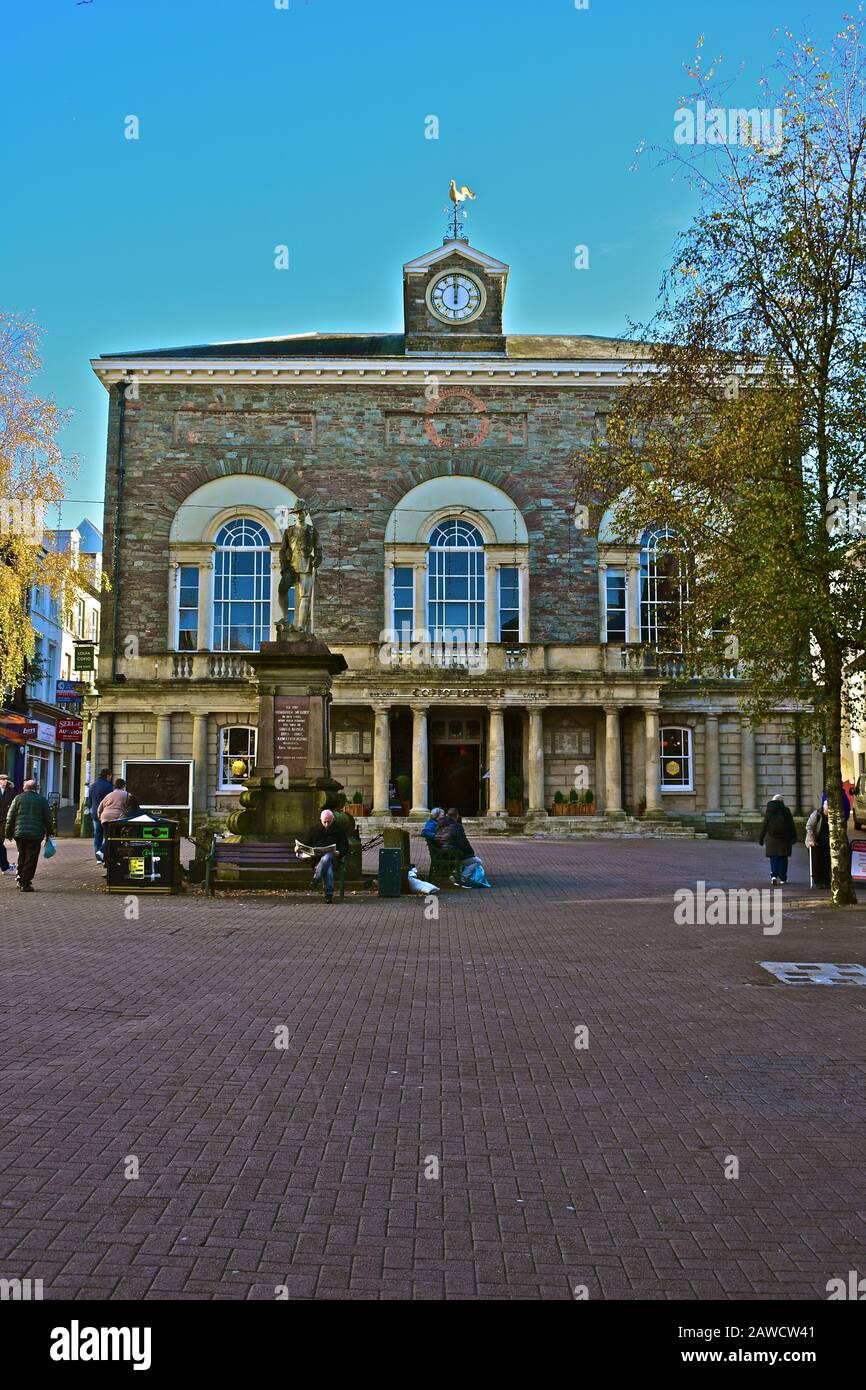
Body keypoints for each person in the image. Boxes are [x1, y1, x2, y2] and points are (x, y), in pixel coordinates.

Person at [5, 778, 53, 892]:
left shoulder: (18, 798)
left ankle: (20, 879)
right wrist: (49, 832)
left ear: (24, 788)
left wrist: (8, 832)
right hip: (35, 834)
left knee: (22, 855)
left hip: (20, 833)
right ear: (36, 789)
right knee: (31, 858)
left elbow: (10, 817)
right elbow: (48, 818)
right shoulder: (41, 800)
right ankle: (25, 883)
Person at [303, 808, 349, 903]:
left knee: (328, 855)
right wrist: (298, 848)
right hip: (317, 861)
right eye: (325, 822)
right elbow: (306, 845)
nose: (327, 824)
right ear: (321, 820)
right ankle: (328, 895)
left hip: (334, 859)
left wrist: (339, 852)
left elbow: (345, 846)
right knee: (328, 868)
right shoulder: (314, 830)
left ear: (333, 820)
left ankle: (316, 878)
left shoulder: (339, 831)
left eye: (329, 822)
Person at [436, 807, 487, 887]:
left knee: (462, 857)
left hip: (442, 854)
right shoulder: (456, 826)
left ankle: (456, 875)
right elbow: (463, 843)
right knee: (477, 861)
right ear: (457, 816)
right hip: (452, 855)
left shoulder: (440, 825)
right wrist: (471, 853)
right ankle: (462, 878)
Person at [758, 793, 797, 885]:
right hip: (784, 839)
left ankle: (774, 876)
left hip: (771, 839)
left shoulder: (769, 811)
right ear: (781, 801)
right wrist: (794, 837)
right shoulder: (786, 810)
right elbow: (791, 825)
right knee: (783, 858)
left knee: (773, 857)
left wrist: (761, 838)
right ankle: (783, 878)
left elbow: (765, 825)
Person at [88, 767, 113, 861]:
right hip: (106, 814)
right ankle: (102, 852)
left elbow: (90, 800)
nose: (111, 778)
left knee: (97, 835)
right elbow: (110, 801)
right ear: (107, 775)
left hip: (95, 813)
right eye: (110, 776)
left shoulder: (92, 786)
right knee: (108, 835)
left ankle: (98, 857)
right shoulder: (108, 786)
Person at [805, 800, 832, 889]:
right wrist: (811, 840)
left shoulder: (833, 816)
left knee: (827, 861)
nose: (828, 812)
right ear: (824, 808)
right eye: (827, 810)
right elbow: (809, 827)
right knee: (816, 862)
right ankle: (817, 881)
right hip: (815, 842)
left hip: (828, 843)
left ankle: (826, 881)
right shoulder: (816, 814)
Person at [0, 772, 17, 875]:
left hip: (4, 820)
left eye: (6, 779)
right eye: (2, 779)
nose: (4, 781)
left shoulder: (11, 791)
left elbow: (14, 804)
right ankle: (5, 867)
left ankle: (5, 867)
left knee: (1, 843)